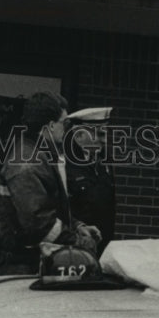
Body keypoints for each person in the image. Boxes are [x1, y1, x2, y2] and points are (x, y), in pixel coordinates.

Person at [0, 91, 101, 274]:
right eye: (64, 122)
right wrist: (78, 241)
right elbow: (38, 224)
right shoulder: (26, 163)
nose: (67, 128)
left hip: (36, 263)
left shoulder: (39, 155)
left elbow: (50, 207)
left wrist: (77, 227)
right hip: (24, 268)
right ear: (51, 126)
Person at [64, 106, 116, 255]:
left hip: (99, 247)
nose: (104, 140)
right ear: (79, 135)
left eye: (105, 134)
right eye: (99, 134)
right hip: (73, 250)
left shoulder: (104, 161)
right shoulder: (63, 163)